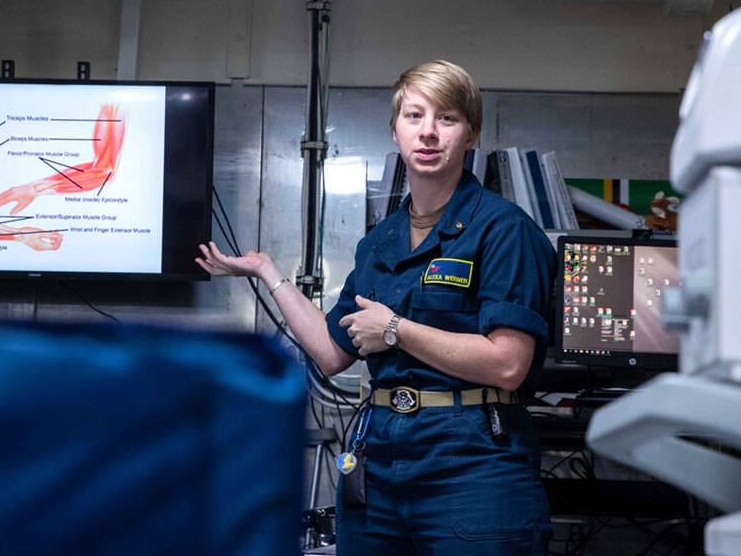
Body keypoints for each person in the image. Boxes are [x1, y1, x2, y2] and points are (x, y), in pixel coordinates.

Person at [196, 59, 556, 555]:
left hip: (473, 465)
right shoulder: (381, 241)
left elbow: (509, 364)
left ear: (471, 134)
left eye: (447, 118)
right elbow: (330, 351)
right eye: (414, 117)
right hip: (379, 462)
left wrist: (396, 330)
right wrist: (267, 272)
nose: (428, 133)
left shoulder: (503, 229)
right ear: (394, 131)